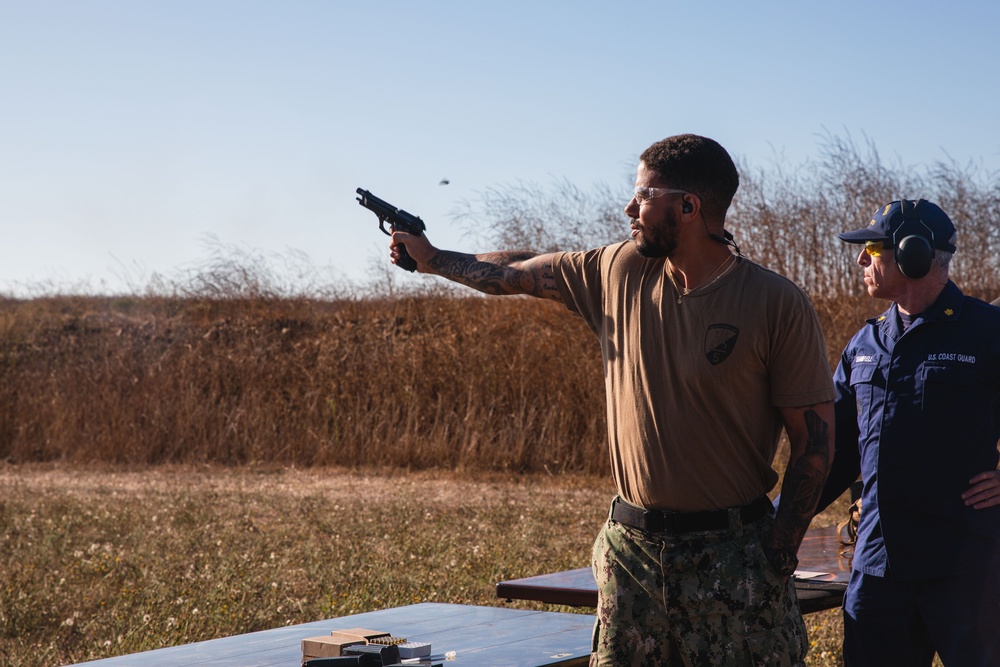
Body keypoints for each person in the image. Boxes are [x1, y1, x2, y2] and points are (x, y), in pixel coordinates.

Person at [389, 134, 836, 666]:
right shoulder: (619, 270)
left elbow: (814, 443)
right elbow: (521, 271)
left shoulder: (775, 303)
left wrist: (777, 554)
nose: (628, 207)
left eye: (643, 195)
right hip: (632, 556)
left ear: (688, 206)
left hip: (732, 555)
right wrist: (434, 258)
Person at [816, 198, 1000, 666]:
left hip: (966, 571)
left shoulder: (987, 332)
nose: (860, 260)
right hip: (879, 570)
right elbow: (831, 454)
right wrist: (774, 521)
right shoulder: (865, 343)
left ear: (913, 253)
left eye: (872, 248)